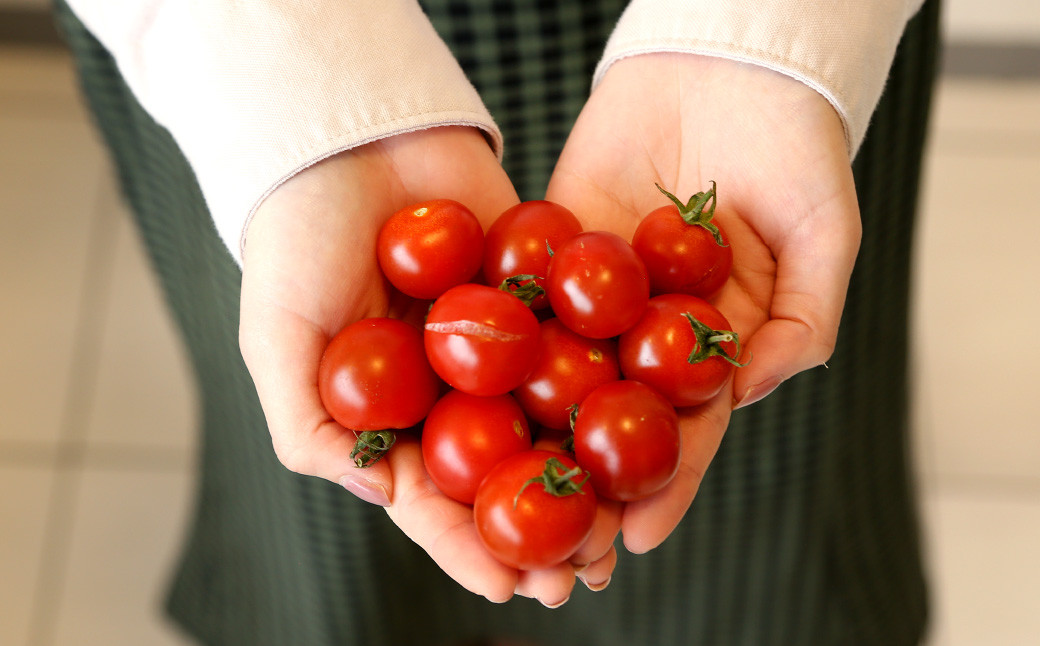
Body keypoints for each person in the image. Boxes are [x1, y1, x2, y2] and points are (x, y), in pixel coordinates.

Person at [54, 0, 940, 643]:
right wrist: (286, 85)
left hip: (770, 73)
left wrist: (774, 38)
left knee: (762, 506)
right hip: (257, 75)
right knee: (334, 545)